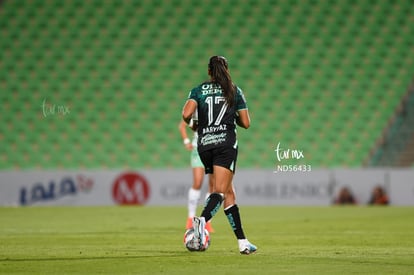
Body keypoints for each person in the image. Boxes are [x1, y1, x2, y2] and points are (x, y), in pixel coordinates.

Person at [181, 55, 257, 255]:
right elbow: (246, 123)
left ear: (209, 71)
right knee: (220, 192)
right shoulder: (234, 90)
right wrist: (232, 118)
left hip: (204, 145)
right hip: (225, 145)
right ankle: (202, 222)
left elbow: (186, 114)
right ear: (227, 70)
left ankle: (243, 242)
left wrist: (196, 124)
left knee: (228, 193)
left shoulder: (198, 90)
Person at [178, 119, 215, 233]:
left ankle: (207, 221)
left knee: (212, 186)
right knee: (197, 182)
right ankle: (190, 218)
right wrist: (186, 141)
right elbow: (182, 125)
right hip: (198, 150)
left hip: (214, 150)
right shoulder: (197, 109)